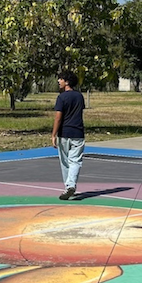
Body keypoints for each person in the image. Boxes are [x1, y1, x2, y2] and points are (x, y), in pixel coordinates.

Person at [52, 70, 86, 200]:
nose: (58, 81)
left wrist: (53, 134)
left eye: (60, 79)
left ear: (67, 82)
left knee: (66, 162)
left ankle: (70, 185)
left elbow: (58, 118)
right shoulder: (79, 96)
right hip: (78, 132)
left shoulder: (61, 98)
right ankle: (70, 185)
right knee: (75, 161)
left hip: (64, 133)